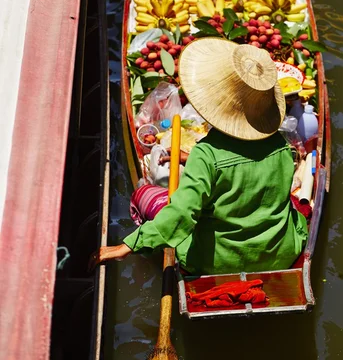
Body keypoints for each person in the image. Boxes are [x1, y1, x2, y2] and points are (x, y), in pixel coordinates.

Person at [89, 38, 308, 275]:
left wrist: (126, 246)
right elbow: (247, 175)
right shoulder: (282, 147)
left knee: (146, 194)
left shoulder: (206, 154)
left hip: (216, 261)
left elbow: (182, 214)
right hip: (281, 254)